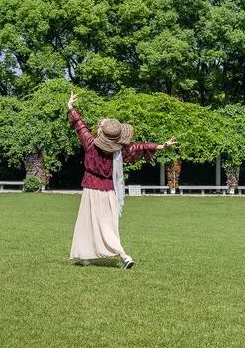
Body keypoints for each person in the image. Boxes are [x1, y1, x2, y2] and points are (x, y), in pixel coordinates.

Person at [66, 92, 176, 269]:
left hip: (91, 188)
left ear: (101, 132)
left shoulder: (90, 143)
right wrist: (161, 146)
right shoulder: (119, 152)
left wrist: (71, 106)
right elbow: (139, 147)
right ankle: (94, 256)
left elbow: (80, 126)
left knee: (87, 223)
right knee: (108, 226)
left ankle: (122, 255)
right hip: (109, 191)